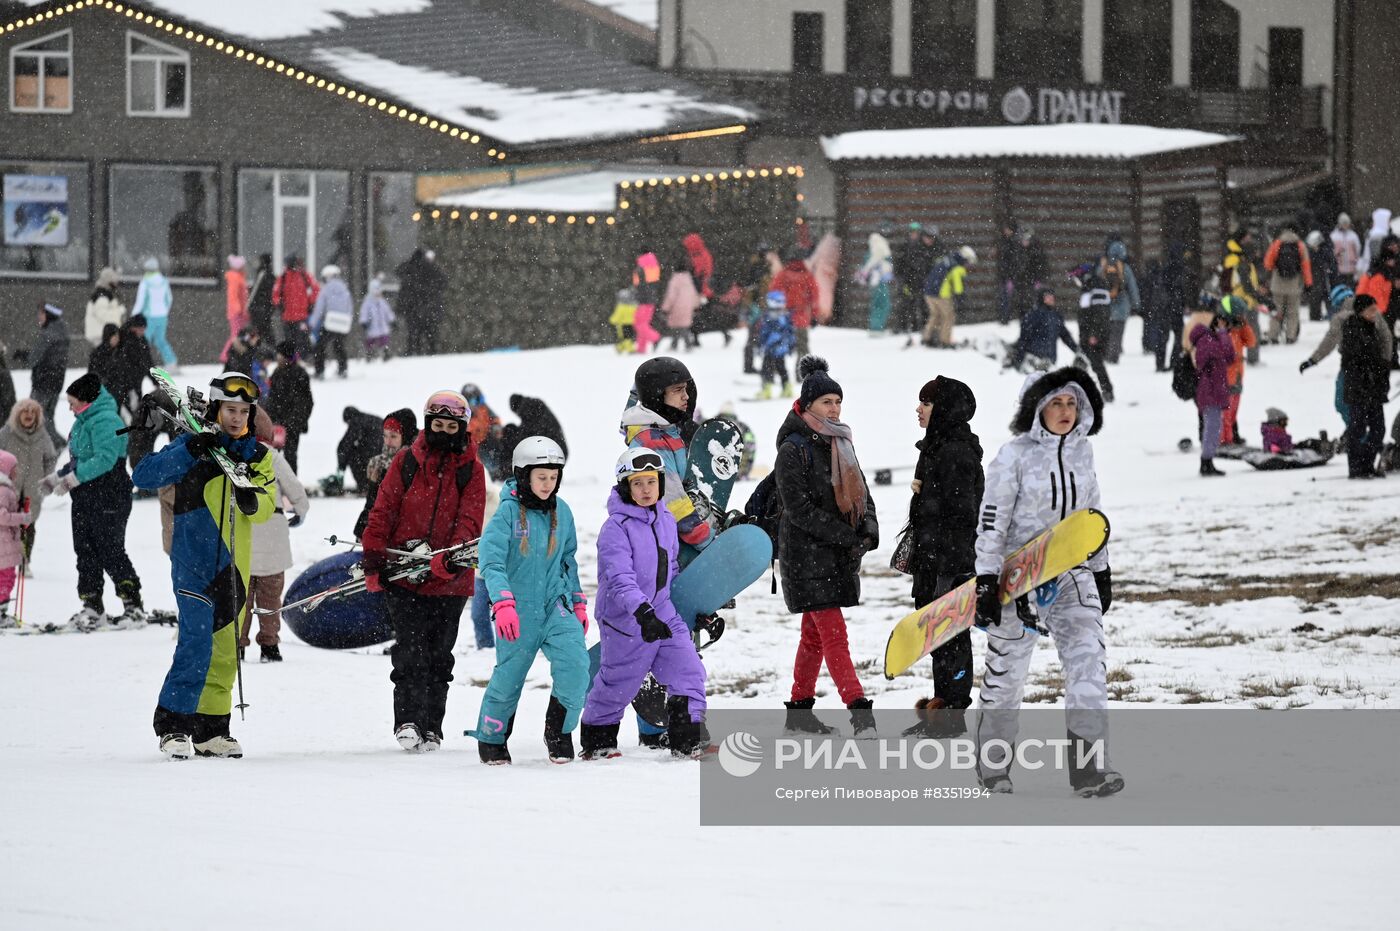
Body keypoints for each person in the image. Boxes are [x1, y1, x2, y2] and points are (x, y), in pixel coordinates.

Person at [972, 367, 1120, 797]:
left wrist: (1101, 568)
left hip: (1073, 576)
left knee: (1088, 665)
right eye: (1055, 402)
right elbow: (992, 521)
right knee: (1008, 676)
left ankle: (1089, 770)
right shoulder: (1013, 455)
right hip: (1016, 581)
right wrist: (985, 578)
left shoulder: (1083, 453)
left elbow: (1092, 513)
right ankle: (993, 767)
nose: (1065, 411)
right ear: (1036, 408)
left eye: (1072, 403)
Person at [132, 373, 276, 759]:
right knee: (195, 644)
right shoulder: (192, 446)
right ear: (215, 408)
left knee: (227, 652)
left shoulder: (258, 457)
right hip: (193, 563)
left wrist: (253, 501)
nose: (236, 417)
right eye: (230, 409)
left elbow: (267, 504)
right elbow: (143, 475)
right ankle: (175, 724)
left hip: (234, 570)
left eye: (244, 411)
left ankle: (212, 729)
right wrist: (190, 449)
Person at [361, 390, 485, 752]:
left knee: (438, 656)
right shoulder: (405, 461)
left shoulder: (472, 470)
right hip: (404, 572)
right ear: (427, 425)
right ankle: (408, 719)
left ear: (461, 429)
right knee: (410, 650)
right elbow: (383, 509)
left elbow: (470, 520)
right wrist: (374, 558)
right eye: (437, 425)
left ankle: (432, 725)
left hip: (451, 579)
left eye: (451, 426)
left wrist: (449, 557)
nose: (443, 432)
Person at [578, 446, 711, 760]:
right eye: (637, 483)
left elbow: (671, 567)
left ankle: (687, 740)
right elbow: (620, 578)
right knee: (618, 684)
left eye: (651, 481)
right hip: (625, 619)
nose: (646, 489)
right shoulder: (616, 529)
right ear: (626, 487)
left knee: (689, 670)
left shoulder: (665, 517)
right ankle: (598, 743)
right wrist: (642, 612)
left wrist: (699, 609)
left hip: (662, 610)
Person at [468, 437, 587, 764]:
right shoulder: (506, 514)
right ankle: (491, 738)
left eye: (553, 477)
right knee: (509, 678)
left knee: (577, 665)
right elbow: (490, 562)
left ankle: (558, 730)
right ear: (524, 475)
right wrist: (503, 604)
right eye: (541, 477)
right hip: (517, 612)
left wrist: (577, 602)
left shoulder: (562, 512)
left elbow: (568, 559)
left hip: (555, 607)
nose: (548, 484)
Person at [776, 356, 878, 737]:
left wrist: (867, 529)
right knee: (834, 636)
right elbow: (798, 509)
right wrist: (844, 535)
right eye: (826, 403)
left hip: (835, 556)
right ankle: (859, 711)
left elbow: (863, 493)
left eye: (837, 401)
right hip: (805, 556)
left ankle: (799, 713)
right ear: (807, 405)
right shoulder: (793, 448)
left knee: (814, 637)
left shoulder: (841, 442)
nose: (834, 408)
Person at [903, 376, 982, 737]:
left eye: (926, 403)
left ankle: (952, 711)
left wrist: (949, 569)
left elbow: (964, 515)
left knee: (951, 636)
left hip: (949, 564)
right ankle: (943, 703)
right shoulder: (936, 447)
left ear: (944, 410)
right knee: (937, 636)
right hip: (932, 561)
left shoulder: (956, 452)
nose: (919, 410)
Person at [42, 374, 145, 629]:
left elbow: (105, 459)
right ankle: (92, 605)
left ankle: (133, 605)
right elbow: (81, 458)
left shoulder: (108, 421)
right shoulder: (82, 421)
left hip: (110, 493)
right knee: (85, 549)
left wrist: (72, 480)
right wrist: (57, 477)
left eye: (73, 402)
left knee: (109, 549)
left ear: (87, 400)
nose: (70, 407)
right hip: (85, 496)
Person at [241, 409, 309, 663]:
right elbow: (294, 488)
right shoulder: (272, 457)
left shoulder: (233, 457)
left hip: (243, 537)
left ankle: (237, 643)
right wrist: (301, 512)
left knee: (241, 598)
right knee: (270, 597)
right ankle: (269, 645)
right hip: (274, 536)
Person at [0, 399, 57, 567]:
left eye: (33, 412)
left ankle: (25, 560)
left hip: (33, 488)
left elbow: (51, 458)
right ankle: (6, 560)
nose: (29, 415)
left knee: (28, 525)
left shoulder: (42, 434)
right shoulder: (7, 432)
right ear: (17, 414)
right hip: (9, 489)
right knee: (6, 525)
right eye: (25, 411)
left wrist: (46, 479)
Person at [1339, 294, 1391, 479]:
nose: (1374, 313)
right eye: (1371, 310)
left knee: (1378, 430)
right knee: (1358, 429)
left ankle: (1366, 464)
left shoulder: (1372, 328)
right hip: (1359, 389)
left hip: (1373, 389)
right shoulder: (1352, 328)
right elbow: (1357, 359)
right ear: (1361, 311)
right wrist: (1378, 367)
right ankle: (1357, 467)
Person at [353, 408, 418, 540]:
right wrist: (363, 528)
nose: (388, 442)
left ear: (405, 436)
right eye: (385, 435)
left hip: (405, 534)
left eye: (393, 436)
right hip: (380, 528)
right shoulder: (379, 463)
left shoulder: (415, 462)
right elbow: (373, 502)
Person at [1189, 306, 1236, 477]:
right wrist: (1223, 334)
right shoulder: (1206, 340)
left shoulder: (1212, 339)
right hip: (1209, 391)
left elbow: (1230, 357)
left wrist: (1223, 335)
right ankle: (1206, 462)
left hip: (1213, 390)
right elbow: (1225, 353)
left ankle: (1208, 461)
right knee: (1212, 428)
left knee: (1213, 428)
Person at [23, 303, 70, 451]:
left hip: (43, 382)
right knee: (47, 416)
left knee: (37, 416)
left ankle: (58, 444)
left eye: (41, 314)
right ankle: (56, 444)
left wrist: (23, 355)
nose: (39, 318)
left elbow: (34, 358)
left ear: (49, 315)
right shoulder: (62, 332)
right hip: (56, 382)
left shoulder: (48, 334)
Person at [264, 340, 313, 472]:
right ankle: (276, 486)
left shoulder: (300, 374)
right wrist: (270, 418)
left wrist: (294, 422)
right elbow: (272, 398)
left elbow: (306, 402)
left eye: (280, 356)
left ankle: (290, 488)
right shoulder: (277, 373)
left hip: (292, 425)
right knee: (272, 456)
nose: (278, 359)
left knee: (290, 457)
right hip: (276, 423)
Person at [1216, 296, 1258, 446]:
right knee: (1225, 414)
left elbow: (1251, 341)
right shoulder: (1221, 333)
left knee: (1233, 412)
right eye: (1240, 315)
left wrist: (1244, 325)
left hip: (1238, 377)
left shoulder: (1237, 330)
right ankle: (1224, 440)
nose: (1242, 317)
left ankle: (1231, 436)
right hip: (1226, 379)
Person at [1070, 263, 1115, 403]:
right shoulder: (1088, 288)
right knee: (1082, 361)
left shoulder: (1097, 288)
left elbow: (1100, 313)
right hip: (1087, 334)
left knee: (1095, 363)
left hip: (1095, 335)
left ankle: (1107, 391)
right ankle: (1077, 392)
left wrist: (1094, 334)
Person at [1221, 227, 1266, 365]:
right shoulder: (1239, 260)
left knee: (1237, 331)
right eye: (1247, 238)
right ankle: (1250, 359)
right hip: (1243, 301)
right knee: (1250, 330)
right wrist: (1258, 296)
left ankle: (1234, 358)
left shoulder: (1238, 257)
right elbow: (1245, 284)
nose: (1250, 240)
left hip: (1237, 301)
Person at [1007, 288, 1079, 372]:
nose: (1051, 298)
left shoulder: (1056, 316)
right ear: (1041, 298)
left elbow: (1065, 336)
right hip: (1034, 361)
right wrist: (1019, 358)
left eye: (1052, 296)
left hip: (1050, 361)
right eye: (1048, 296)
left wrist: (1077, 350)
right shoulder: (1033, 315)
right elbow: (1024, 338)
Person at [1262, 225, 1312, 344]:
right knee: (1292, 312)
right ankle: (1290, 336)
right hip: (1294, 285)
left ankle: (1273, 335)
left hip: (1277, 284)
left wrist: (1267, 278)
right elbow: (1306, 266)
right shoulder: (1300, 245)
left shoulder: (1277, 244)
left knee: (1277, 311)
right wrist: (1308, 283)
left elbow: (1268, 264)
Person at [0, 450, 33, 627]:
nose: (16, 471)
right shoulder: (3, 490)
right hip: (3, 544)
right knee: (5, 578)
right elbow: (2, 516)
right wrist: (22, 518)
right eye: (14, 468)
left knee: (5, 577)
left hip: (6, 543)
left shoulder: (6, 488)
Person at [921, 246, 977, 348]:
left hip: (928, 293)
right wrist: (961, 299)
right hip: (941, 295)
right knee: (949, 316)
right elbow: (958, 287)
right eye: (969, 262)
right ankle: (945, 341)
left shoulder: (947, 259)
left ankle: (927, 337)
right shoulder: (957, 267)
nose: (968, 266)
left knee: (935, 315)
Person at [395, 248, 447, 356]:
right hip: (426, 308)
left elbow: (399, 272)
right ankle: (430, 352)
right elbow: (443, 282)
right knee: (429, 333)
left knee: (414, 333)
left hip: (414, 309)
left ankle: (414, 351)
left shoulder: (409, 272)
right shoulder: (430, 272)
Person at [772, 246, 819, 358]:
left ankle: (773, 371)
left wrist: (775, 313)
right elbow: (814, 297)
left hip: (784, 317)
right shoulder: (807, 276)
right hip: (801, 318)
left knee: (776, 345)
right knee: (803, 349)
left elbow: (773, 293)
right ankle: (803, 373)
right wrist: (814, 316)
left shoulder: (782, 275)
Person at [308, 264, 353, 380]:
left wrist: (312, 323)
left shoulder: (326, 290)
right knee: (339, 346)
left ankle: (320, 371)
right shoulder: (345, 289)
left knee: (319, 346)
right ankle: (343, 369)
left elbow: (319, 308)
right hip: (343, 324)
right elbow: (350, 307)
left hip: (330, 322)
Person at [1100, 240, 1140, 363]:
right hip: (1121, 307)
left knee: (1107, 332)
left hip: (1106, 307)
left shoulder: (1103, 266)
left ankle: (1106, 354)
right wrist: (1136, 304)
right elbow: (1132, 288)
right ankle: (1114, 356)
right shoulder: (1125, 268)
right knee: (1117, 334)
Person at [132, 258, 177, 370]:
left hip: (148, 317)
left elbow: (140, 301)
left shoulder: (145, 283)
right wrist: (164, 312)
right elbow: (169, 299)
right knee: (160, 340)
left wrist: (134, 316)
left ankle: (140, 363)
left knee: (143, 340)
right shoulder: (164, 281)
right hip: (162, 316)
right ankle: (171, 362)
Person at [271, 255, 319, 360]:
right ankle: (293, 361)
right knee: (290, 341)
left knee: (302, 340)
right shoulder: (283, 277)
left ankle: (303, 360)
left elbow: (316, 289)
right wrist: (279, 303)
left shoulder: (304, 275)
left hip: (302, 316)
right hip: (287, 317)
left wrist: (311, 302)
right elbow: (275, 294)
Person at [756, 289, 797, 400]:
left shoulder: (772, 316)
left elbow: (765, 332)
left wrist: (761, 344)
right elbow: (790, 333)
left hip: (772, 347)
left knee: (767, 368)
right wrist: (790, 345)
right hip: (779, 348)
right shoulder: (782, 315)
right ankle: (786, 387)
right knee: (781, 367)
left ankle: (767, 389)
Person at [110, 315, 154, 417]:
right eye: (141, 329)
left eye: (144, 329)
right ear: (134, 327)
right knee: (129, 411)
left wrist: (154, 379)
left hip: (136, 382)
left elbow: (147, 361)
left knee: (136, 410)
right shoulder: (124, 340)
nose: (142, 331)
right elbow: (124, 363)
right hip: (125, 384)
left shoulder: (141, 340)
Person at [859, 222, 895, 335]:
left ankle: (876, 327)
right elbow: (875, 260)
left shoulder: (875, 244)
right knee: (882, 303)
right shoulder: (879, 243)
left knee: (879, 303)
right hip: (879, 278)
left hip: (878, 279)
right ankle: (876, 328)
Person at [1010, 226, 1050, 324]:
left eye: (1027, 239)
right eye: (1023, 239)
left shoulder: (1037, 251)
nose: (1025, 241)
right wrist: (1012, 279)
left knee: (1033, 305)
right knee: (1021, 306)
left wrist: (1039, 280)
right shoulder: (1017, 251)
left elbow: (1042, 266)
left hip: (1032, 282)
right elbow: (1013, 266)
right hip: (1020, 283)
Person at [661, 259, 702, 351]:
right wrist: (696, 305)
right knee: (683, 325)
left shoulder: (674, 280)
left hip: (677, 306)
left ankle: (685, 345)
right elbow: (693, 293)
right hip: (688, 305)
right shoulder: (689, 279)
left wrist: (666, 307)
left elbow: (671, 295)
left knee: (678, 327)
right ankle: (675, 345)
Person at [631, 250, 663, 354]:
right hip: (651, 300)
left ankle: (656, 338)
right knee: (643, 324)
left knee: (639, 324)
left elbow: (639, 286)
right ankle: (641, 349)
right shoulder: (654, 265)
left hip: (643, 300)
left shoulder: (641, 267)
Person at [220, 255, 250, 363]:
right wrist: (239, 309)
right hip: (236, 312)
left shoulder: (238, 277)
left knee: (236, 334)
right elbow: (234, 295)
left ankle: (228, 354)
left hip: (239, 311)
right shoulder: (235, 278)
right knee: (235, 335)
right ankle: (226, 355)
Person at [84, 267, 124, 347]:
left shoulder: (102, 295)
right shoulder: (102, 297)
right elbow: (103, 315)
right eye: (115, 281)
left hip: (101, 334)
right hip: (100, 335)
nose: (117, 283)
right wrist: (119, 311)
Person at [359, 277, 396, 362]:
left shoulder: (382, 302)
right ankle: (369, 353)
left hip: (382, 325)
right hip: (372, 325)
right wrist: (363, 321)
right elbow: (364, 312)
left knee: (384, 339)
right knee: (370, 340)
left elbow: (388, 312)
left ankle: (385, 353)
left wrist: (392, 320)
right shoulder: (367, 302)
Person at [1306, 230, 1338, 321]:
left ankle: (1331, 314)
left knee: (1327, 295)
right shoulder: (1312, 252)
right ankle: (1315, 316)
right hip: (1317, 277)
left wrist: (1328, 270)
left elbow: (1331, 263)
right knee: (1316, 296)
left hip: (1324, 277)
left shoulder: (1325, 250)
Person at [87, 324, 123, 401]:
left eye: (118, 336)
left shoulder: (119, 352)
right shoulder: (98, 353)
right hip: (104, 395)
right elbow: (93, 374)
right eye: (115, 336)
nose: (117, 339)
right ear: (108, 337)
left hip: (119, 395)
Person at [996, 220, 1022, 325]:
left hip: (1010, 276)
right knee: (1004, 297)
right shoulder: (1005, 241)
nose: (1005, 230)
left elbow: (1014, 260)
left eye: (1007, 228)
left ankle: (1006, 318)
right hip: (1005, 275)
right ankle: (1004, 318)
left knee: (1008, 297)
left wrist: (1011, 274)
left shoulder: (1013, 242)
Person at [246, 253, 277, 341]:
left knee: (259, 336)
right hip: (264, 311)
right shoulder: (271, 275)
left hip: (259, 310)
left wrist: (250, 307)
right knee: (266, 335)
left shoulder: (262, 274)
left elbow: (255, 293)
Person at [1332, 213, 1362, 286]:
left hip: (1351, 267)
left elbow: (1358, 249)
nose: (1345, 225)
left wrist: (1356, 261)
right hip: (1339, 267)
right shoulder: (1334, 236)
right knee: (1341, 286)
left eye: (1346, 223)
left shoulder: (1353, 235)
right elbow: (1332, 250)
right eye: (1344, 223)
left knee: (1351, 286)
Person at [1359, 208, 1392, 274]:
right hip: (1379, 271)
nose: (1389, 222)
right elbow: (1376, 256)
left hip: (1375, 269)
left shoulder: (1375, 233)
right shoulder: (1378, 235)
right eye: (1388, 220)